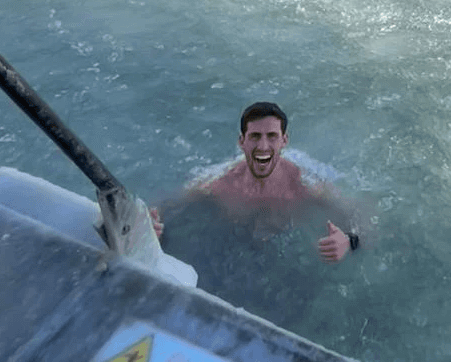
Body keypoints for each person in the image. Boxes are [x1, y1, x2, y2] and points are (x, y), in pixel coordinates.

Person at [151, 101, 360, 265]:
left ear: (284, 141)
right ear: (241, 141)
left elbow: (361, 218)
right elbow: (166, 205)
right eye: (255, 136)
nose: (263, 146)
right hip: (233, 246)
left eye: (272, 136)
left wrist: (350, 242)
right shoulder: (216, 184)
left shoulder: (306, 184)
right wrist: (151, 228)